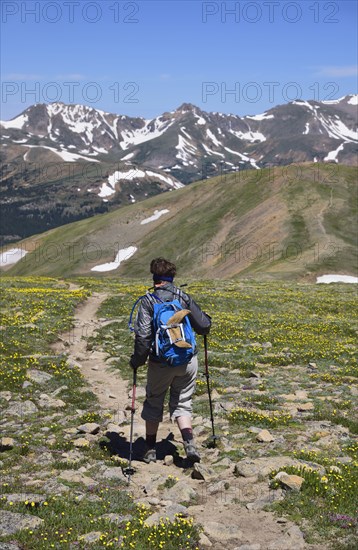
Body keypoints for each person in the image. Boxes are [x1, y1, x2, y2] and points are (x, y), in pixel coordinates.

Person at [130, 257, 211, 464]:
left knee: (154, 402)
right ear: (172, 277)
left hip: (161, 363)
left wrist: (137, 361)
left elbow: (143, 337)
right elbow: (203, 326)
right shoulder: (182, 297)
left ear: (155, 277)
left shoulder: (148, 301)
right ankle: (189, 444)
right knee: (183, 402)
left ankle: (149, 449)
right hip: (187, 360)